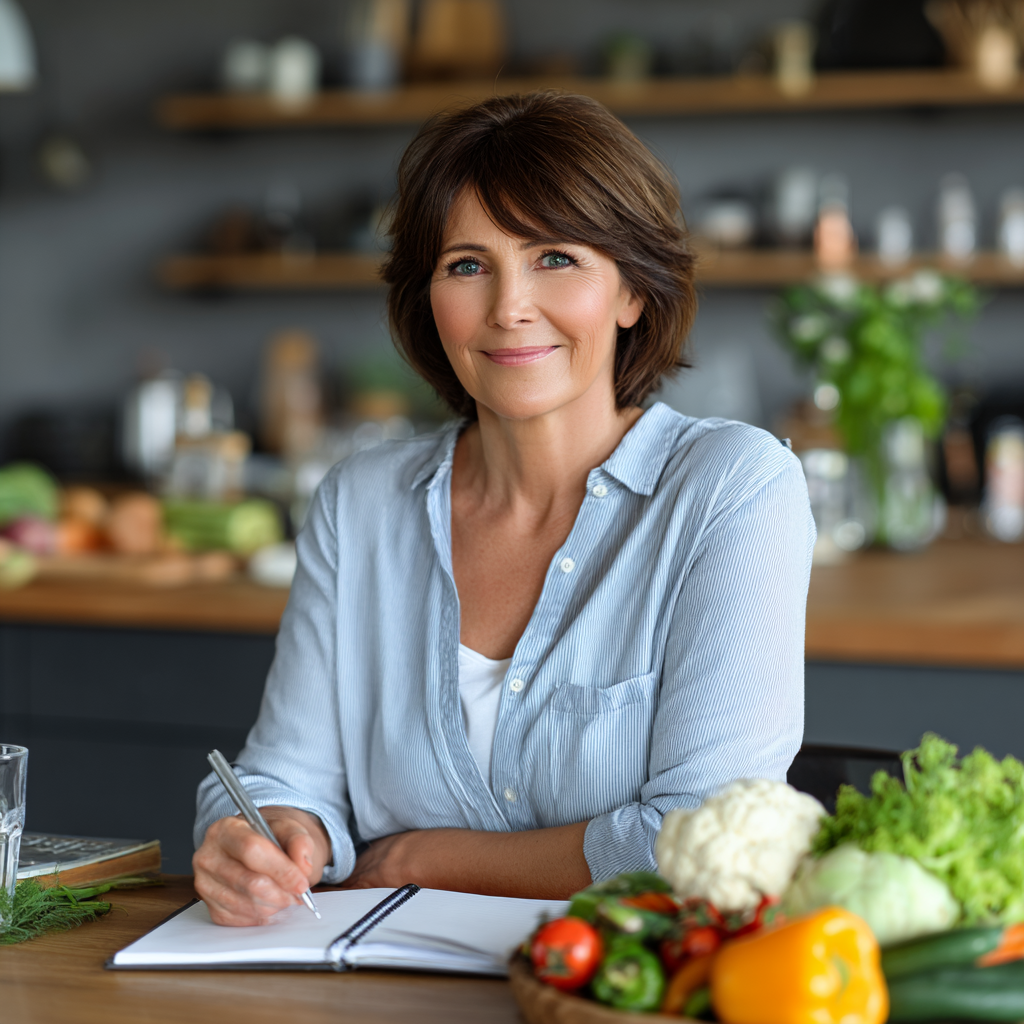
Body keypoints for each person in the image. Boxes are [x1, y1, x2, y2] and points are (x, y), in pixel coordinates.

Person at [193, 91, 814, 926]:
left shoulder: (732, 488)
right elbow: (282, 776)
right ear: (429, 302)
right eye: (467, 265)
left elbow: (695, 837)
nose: (509, 306)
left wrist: (421, 857)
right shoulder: (360, 502)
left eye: (555, 257)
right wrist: (268, 836)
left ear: (631, 291)